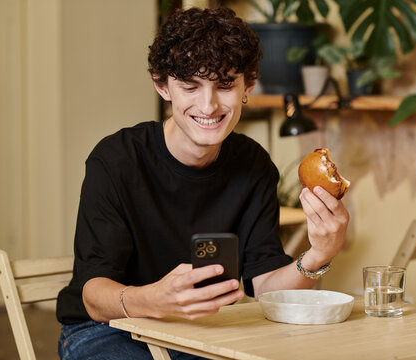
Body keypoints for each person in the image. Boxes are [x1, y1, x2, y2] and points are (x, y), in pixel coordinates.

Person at [56, 7, 349, 360]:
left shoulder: (254, 166)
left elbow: (265, 287)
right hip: (109, 330)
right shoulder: (116, 160)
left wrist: (319, 254)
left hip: (205, 333)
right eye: (190, 86)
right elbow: (93, 295)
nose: (208, 106)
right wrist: (154, 299)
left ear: (248, 86)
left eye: (225, 85)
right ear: (162, 86)